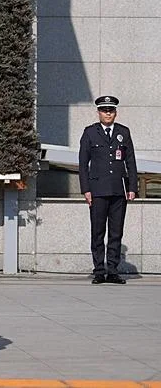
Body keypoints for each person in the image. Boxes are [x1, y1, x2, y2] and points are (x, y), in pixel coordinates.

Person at [78, 95, 137, 285]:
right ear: (99, 112)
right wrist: (86, 189)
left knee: (116, 232)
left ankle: (113, 270)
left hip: (118, 190)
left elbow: (130, 162)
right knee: (97, 232)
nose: (107, 113)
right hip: (97, 190)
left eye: (110, 110)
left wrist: (132, 187)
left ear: (115, 112)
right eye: (104, 110)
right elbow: (82, 164)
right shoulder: (90, 133)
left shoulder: (123, 132)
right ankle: (99, 271)